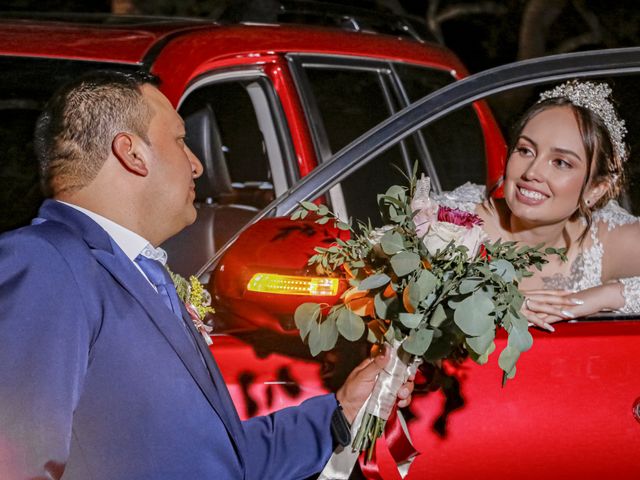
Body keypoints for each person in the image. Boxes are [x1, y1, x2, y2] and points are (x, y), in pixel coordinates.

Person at [0, 71, 413, 480]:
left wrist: (342, 412)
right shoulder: (46, 262)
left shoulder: (141, 271)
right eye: (180, 141)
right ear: (132, 153)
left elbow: (221, 460)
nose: (196, 165)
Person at [433, 79, 640, 332]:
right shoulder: (451, 223)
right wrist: (494, 304)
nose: (532, 172)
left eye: (561, 162)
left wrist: (606, 296)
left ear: (595, 190)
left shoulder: (608, 238)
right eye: (526, 150)